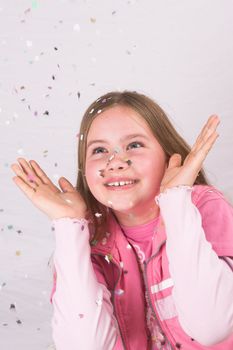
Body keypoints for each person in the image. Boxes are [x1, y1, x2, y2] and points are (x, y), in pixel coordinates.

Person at [11, 91, 233, 350]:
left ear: (167, 154)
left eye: (134, 145)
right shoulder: (89, 239)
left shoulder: (203, 207)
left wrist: (176, 202)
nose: (115, 162)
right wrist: (68, 226)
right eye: (99, 150)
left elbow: (212, 327)